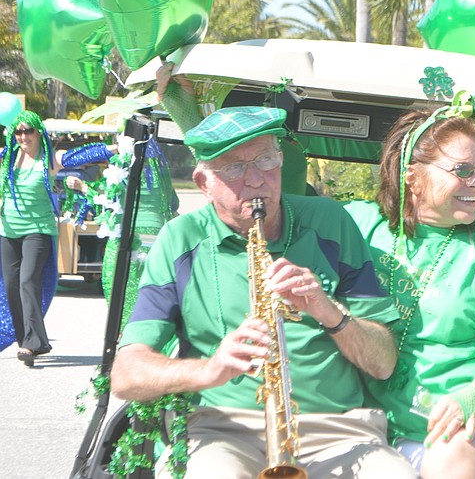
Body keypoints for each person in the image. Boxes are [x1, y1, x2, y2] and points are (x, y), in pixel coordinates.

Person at [110, 105, 417, 478]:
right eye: (235, 168)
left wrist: (328, 310)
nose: (256, 180)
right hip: (223, 430)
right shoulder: (181, 239)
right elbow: (126, 375)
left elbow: (383, 363)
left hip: (341, 431)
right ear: (204, 183)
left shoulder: (329, 221)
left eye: (266, 160)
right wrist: (210, 370)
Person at [343, 104, 475, 479]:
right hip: (387, 417)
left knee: (448, 464)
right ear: (412, 177)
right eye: (462, 170)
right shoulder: (360, 226)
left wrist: (469, 401)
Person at [62, 135, 178, 330]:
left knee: (121, 299)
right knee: (152, 299)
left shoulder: (123, 166)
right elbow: (173, 203)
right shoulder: (160, 167)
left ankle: (125, 349)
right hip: (157, 241)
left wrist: (83, 187)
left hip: (125, 240)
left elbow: (106, 200)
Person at [0, 110, 62, 366]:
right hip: (7, 230)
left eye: (28, 131)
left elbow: (85, 155)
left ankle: (32, 343)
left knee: (27, 281)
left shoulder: (50, 159)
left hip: (38, 229)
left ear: (39, 133)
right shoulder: (7, 158)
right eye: (18, 132)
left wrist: (119, 147)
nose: (23, 136)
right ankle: (23, 338)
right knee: (12, 285)